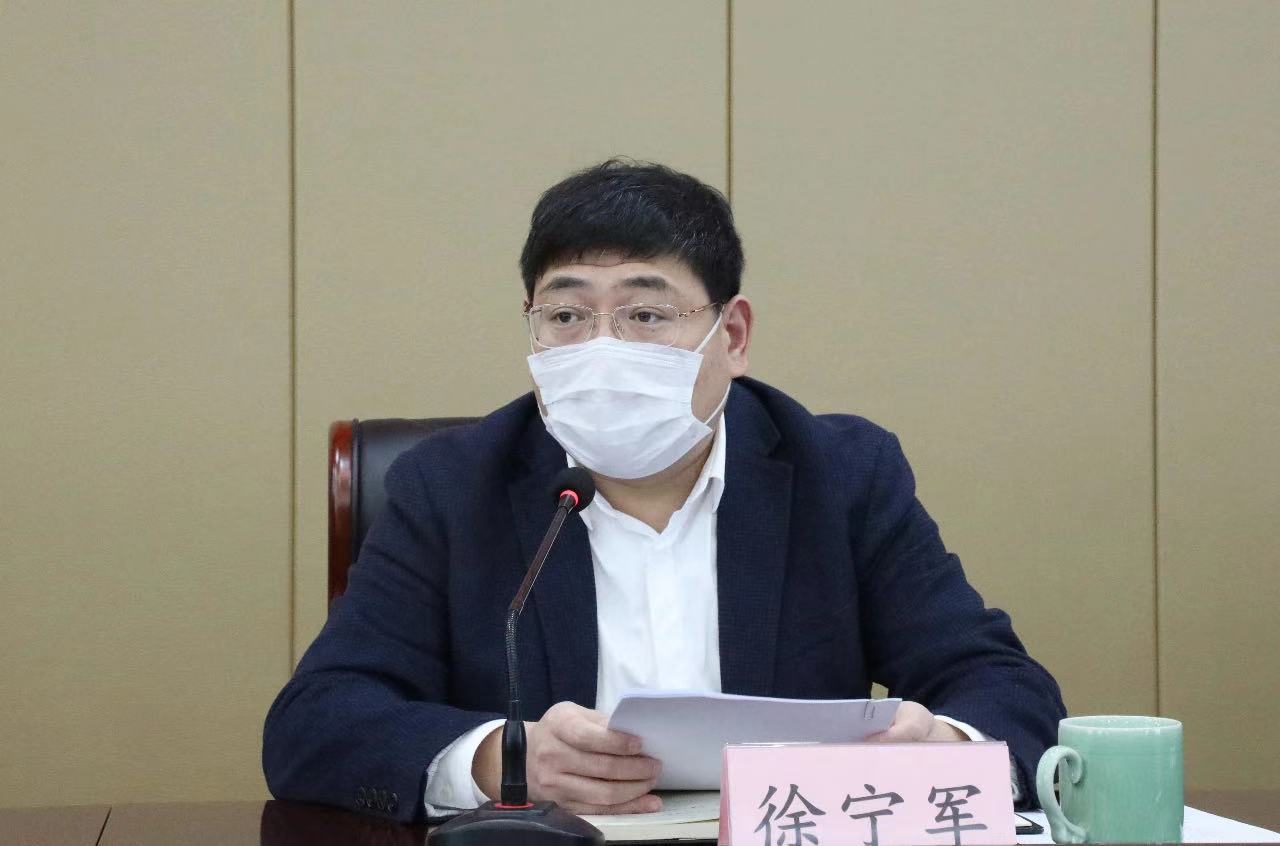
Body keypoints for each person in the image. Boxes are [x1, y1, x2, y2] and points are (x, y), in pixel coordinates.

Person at [263, 159, 1066, 823]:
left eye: (646, 315)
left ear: (733, 336)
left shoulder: (841, 474)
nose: (601, 347)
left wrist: (948, 750)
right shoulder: (450, 485)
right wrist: (501, 759)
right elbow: (316, 721)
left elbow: (1005, 687)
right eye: (566, 316)